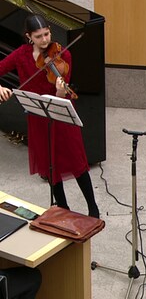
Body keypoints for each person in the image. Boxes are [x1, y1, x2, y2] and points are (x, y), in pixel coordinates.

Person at [0, 14, 100, 218]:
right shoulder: (21, 55)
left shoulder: (63, 55)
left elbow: (62, 91)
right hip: (38, 117)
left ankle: (93, 208)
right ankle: (62, 208)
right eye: (38, 36)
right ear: (29, 37)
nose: (45, 40)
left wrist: (60, 90)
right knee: (50, 165)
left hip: (60, 114)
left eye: (46, 34)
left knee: (77, 161)